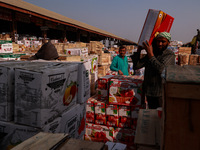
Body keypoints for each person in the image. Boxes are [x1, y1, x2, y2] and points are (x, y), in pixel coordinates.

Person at [131, 32, 175, 109]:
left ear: (168, 42)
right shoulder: (153, 52)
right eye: (158, 41)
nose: (160, 44)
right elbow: (137, 66)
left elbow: (162, 70)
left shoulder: (169, 54)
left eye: (163, 42)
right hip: (149, 91)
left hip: (160, 93)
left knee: (160, 115)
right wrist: (138, 51)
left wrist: (150, 54)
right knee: (152, 113)